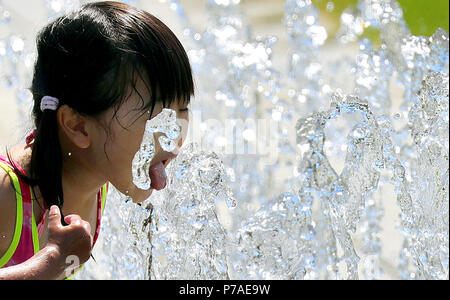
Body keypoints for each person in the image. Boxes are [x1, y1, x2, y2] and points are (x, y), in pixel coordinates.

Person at [0, 1, 193, 280]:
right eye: (156, 115)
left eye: (183, 109)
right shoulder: (7, 195)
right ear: (78, 126)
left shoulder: (99, 170)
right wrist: (49, 265)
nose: (174, 135)